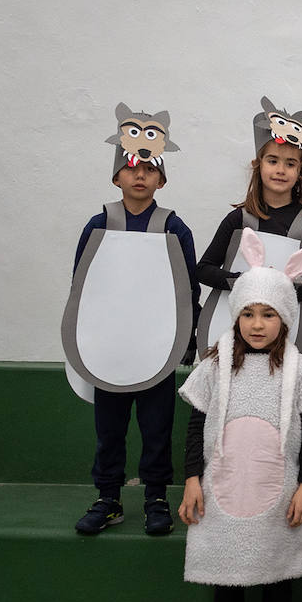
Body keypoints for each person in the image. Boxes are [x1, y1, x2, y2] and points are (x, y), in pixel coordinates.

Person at [177, 233, 302, 602]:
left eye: (268, 314)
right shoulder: (213, 366)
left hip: (279, 495)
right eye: (248, 313)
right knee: (227, 580)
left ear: (285, 317)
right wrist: (191, 480)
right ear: (235, 315)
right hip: (223, 494)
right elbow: (194, 427)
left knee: (275, 579)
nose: (258, 324)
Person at [68, 104, 198, 537]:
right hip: (110, 349)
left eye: (149, 168)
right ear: (116, 175)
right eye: (130, 167)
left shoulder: (173, 229)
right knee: (109, 430)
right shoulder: (98, 225)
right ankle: (108, 498)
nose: (139, 175)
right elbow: (83, 287)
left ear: (161, 178)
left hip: (156, 348)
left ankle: (156, 496)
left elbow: (187, 290)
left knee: (157, 428)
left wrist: (188, 338)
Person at [195, 98, 302, 360]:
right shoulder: (237, 220)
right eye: (273, 161)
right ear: (258, 165)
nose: (281, 170)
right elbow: (203, 269)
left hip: (291, 336)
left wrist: (290, 287)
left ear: (300, 172)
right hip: (235, 332)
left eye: (290, 164)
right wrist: (246, 282)